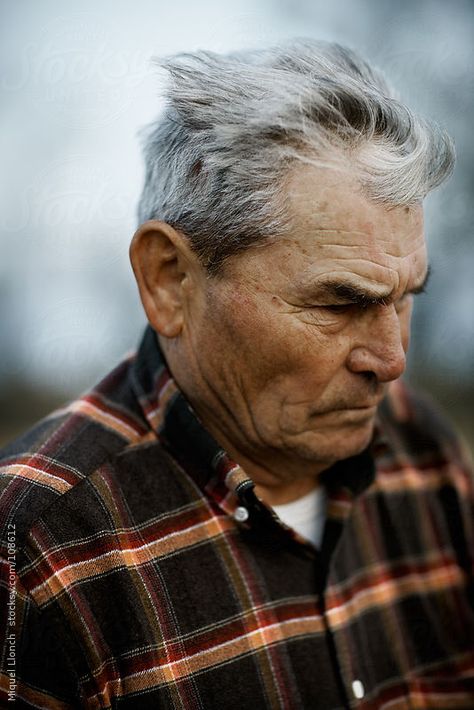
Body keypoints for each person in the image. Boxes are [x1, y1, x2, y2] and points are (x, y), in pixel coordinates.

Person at [0, 39, 473, 710]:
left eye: (406, 298)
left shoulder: (425, 456)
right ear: (170, 280)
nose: (392, 360)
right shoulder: (35, 545)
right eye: (340, 302)